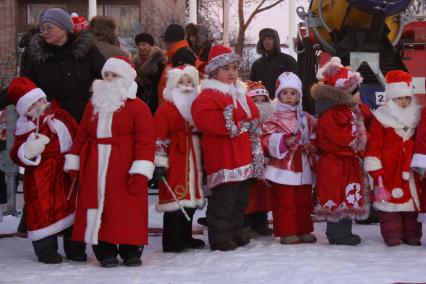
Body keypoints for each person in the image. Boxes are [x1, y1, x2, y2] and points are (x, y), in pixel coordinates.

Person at [63, 56, 155, 267]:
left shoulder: (138, 108)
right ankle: (105, 250)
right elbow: (82, 135)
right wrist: (74, 160)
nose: (109, 79)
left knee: (126, 208)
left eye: (115, 75)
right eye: (106, 75)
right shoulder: (93, 106)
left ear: (126, 79)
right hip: (94, 164)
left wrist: (141, 170)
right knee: (99, 208)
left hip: (125, 165)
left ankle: (131, 249)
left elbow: (145, 141)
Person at [191, 45, 264, 251]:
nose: (232, 73)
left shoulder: (240, 93)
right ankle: (220, 236)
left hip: (242, 155)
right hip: (224, 156)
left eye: (234, 68)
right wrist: (240, 120)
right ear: (214, 71)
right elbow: (207, 120)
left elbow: (254, 114)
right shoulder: (209, 95)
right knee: (224, 199)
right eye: (226, 69)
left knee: (240, 199)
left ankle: (235, 231)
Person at [8, 77, 85, 264]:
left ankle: (75, 248)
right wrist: (28, 150)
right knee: (42, 210)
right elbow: (16, 153)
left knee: (72, 207)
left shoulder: (62, 116)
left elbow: (78, 135)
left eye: (40, 100)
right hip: (41, 176)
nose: (39, 105)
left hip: (67, 171)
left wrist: (79, 157)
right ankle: (46, 250)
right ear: (25, 109)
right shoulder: (25, 128)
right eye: (33, 104)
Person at [311, 57, 368, 245]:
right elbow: (341, 137)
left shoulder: (343, 109)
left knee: (347, 196)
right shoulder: (334, 112)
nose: (357, 93)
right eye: (353, 89)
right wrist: (358, 132)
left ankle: (344, 232)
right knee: (337, 197)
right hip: (336, 162)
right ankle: (338, 234)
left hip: (345, 161)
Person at [365, 70, 422, 246]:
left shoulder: (417, 117)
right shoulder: (381, 118)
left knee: (412, 202)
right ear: (390, 99)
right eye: (399, 98)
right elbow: (374, 144)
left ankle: (412, 233)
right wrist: (375, 167)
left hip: (410, 167)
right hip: (389, 167)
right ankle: (392, 233)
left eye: (406, 98)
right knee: (389, 202)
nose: (404, 102)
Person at [19, 8, 106, 122]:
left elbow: (108, 75)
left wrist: (92, 99)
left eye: (49, 28)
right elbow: (23, 85)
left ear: (64, 28)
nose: (45, 32)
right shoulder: (38, 56)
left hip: (83, 119)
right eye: (42, 28)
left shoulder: (86, 51)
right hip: (52, 122)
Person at [153, 65, 205, 252]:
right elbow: (158, 137)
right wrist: (159, 162)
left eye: (189, 82)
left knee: (190, 200)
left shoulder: (197, 105)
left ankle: (186, 236)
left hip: (194, 154)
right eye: (181, 82)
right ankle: (172, 241)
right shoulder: (166, 109)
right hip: (175, 156)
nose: (186, 86)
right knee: (174, 198)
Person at [261, 72, 317, 244]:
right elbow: (265, 138)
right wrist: (284, 141)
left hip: (304, 165)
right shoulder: (273, 118)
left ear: (298, 95)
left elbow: (315, 136)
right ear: (278, 95)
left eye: (293, 93)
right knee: (285, 201)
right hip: (283, 166)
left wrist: (310, 143)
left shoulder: (306, 117)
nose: (289, 97)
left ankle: (304, 229)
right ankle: (287, 231)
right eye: (285, 93)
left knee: (303, 200)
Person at [243, 81, 274, 238]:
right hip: (249, 164)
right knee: (249, 195)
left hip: (266, 164)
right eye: (255, 101)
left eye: (263, 101)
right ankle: (246, 223)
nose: (260, 105)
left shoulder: (271, 123)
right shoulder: (246, 123)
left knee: (264, 194)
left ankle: (261, 222)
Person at [250, 28, 297, 99]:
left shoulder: (288, 61)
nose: (266, 42)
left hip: (284, 104)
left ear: (276, 41)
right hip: (263, 105)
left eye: (270, 39)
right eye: (264, 39)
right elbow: (252, 88)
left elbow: (296, 85)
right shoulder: (257, 64)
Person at [158, 24, 197, 105]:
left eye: (165, 41)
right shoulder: (178, 53)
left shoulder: (182, 55)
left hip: (176, 105)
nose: (164, 44)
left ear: (170, 41)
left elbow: (184, 85)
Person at [133, 32, 166, 114]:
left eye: (144, 44)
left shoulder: (160, 59)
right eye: (139, 45)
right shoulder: (135, 61)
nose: (141, 47)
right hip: (139, 98)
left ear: (150, 45)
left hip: (155, 98)